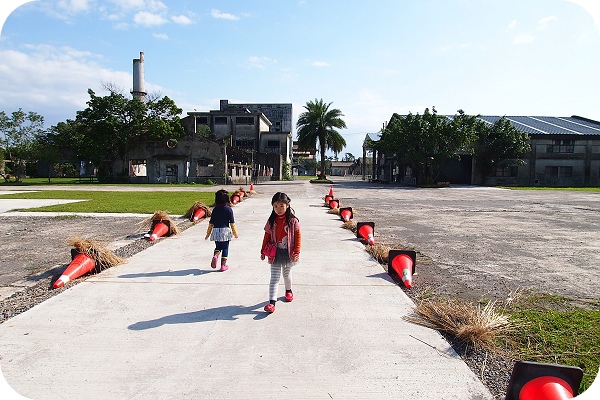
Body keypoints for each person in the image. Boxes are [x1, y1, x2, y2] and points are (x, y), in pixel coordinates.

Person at [260, 192, 301, 313]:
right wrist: (263, 251)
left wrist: (296, 252)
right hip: (275, 253)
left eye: (281, 206)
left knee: (286, 275)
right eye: (275, 206)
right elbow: (266, 236)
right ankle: (272, 303)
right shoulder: (271, 220)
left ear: (287, 205)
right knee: (274, 278)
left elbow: (298, 236)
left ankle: (289, 291)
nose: (278, 209)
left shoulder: (293, 221)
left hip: (289, 253)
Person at [205, 189, 238, 271]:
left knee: (218, 246)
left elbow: (211, 223)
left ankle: (215, 256)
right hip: (225, 231)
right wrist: (235, 233)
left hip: (216, 231)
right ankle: (223, 265)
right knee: (225, 248)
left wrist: (208, 234)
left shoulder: (215, 209)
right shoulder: (229, 209)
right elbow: (232, 223)